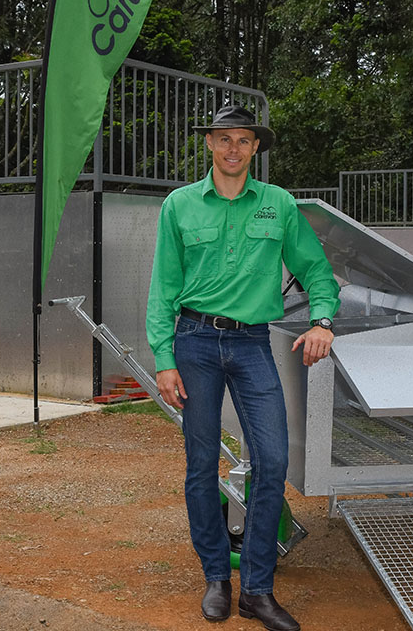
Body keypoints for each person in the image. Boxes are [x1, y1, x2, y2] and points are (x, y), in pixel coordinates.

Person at [146, 104, 339, 631]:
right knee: (201, 465)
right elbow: (163, 288)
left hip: (252, 344)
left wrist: (322, 320)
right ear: (209, 142)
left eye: (244, 140)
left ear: (256, 148)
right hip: (194, 342)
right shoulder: (179, 206)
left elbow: (317, 271)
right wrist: (164, 359)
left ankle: (257, 590)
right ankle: (216, 577)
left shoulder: (278, 205)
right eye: (224, 138)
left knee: (273, 460)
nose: (233, 148)